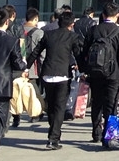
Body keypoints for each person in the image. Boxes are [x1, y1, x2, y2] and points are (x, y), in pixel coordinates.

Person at [25, 10, 82, 150]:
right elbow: (78, 55)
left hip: (47, 75)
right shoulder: (72, 36)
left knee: (51, 106)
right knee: (59, 108)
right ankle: (53, 139)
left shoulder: (48, 34)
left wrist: (25, 68)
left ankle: (54, 132)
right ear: (72, 24)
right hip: (63, 76)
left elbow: (35, 52)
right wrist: (83, 69)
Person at [81, 1, 119, 145]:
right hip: (113, 73)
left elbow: (85, 52)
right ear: (117, 15)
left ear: (103, 15)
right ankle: (108, 134)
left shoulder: (93, 30)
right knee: (111, 104)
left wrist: (84, 70)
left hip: (95, 72)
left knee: (96, 102)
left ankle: (96, 133)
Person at [0, 7, 28, 158]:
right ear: (7, 22)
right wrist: (24, 64)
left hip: (1, 86)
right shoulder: (11, 40)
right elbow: (18, 64)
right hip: (2, 86)